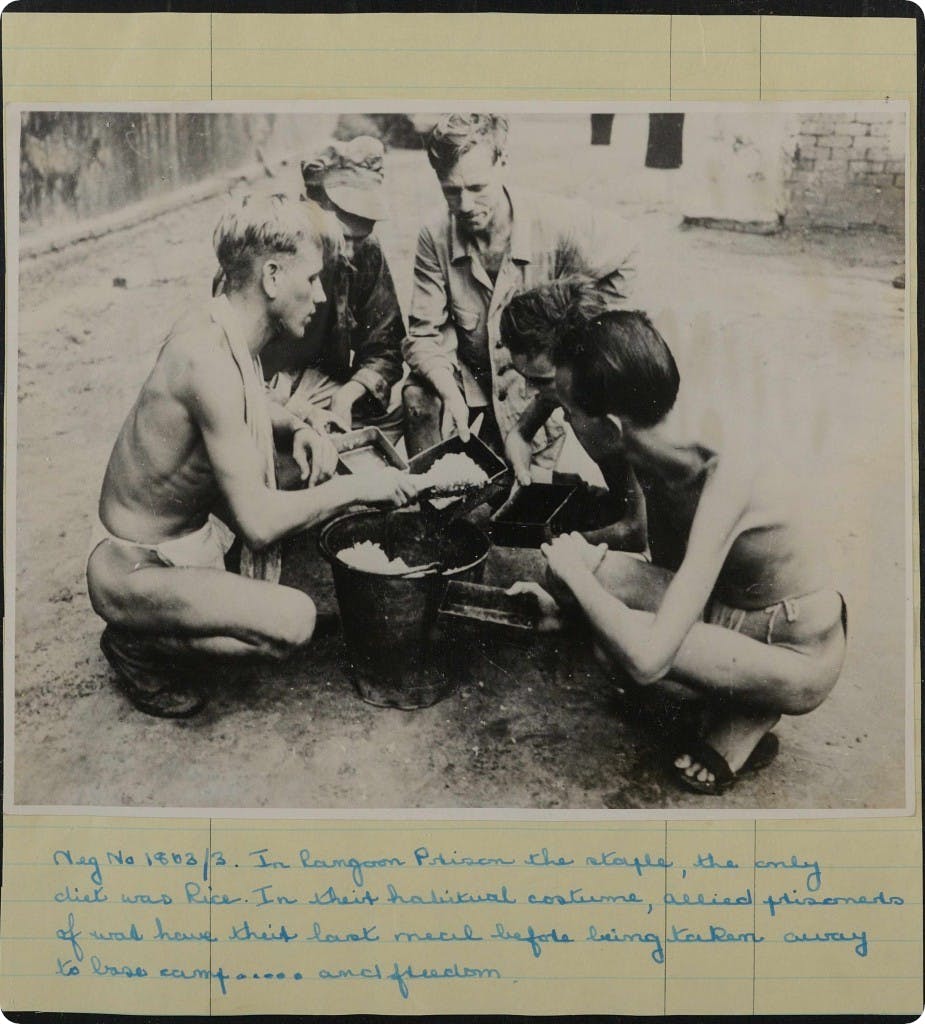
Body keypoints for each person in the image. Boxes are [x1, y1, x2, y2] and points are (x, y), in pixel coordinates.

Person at [87, 191, 420, 718]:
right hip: (135, 567)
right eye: (311, 280)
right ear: (271, 277)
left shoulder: (218, 325)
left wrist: (296, 426)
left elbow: (246, 401)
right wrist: (359, 487)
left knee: (297, 478)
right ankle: (137, 641)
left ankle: (175, 613)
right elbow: (261, 524)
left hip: (183, 537)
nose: (321, 297)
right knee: (294, 622)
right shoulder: (206, 360)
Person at [513, 307, 847, 794]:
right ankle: (728, 693)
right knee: (570, 583)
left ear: (607, 424)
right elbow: (668, 567)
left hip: (795, 646)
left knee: (623, 646)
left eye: (566, 412)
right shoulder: (649, 440)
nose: (560, 419)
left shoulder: (727, 471)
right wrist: (568, 603)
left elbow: (648, 658)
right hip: (727, 606)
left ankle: (751, 710)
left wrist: (588, 593)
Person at [402, 113, 636, 477]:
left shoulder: (558, 222)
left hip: (537, 396)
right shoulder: (433, 237)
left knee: (531, 500)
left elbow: (627, 251)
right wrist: (448, 391)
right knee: (417, 394)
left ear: (503, 163)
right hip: (473, 394)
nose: (464, 206)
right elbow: (422, 336)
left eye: (477, 187)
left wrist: (587, 342)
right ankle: (428, 507)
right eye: (450, 190)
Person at [241, 137, 405, 445]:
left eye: (363, 232)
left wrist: (347, 396)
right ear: (315, 202)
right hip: (265, 387)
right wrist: (292, 409)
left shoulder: (365, 249)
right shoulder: (270, 239)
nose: (353, 250)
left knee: (400, 404)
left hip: (323, 382)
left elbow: (386, 347)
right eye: (346, 235)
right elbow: (231, 363)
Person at [499, 278, 647, 552]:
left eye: (541, 381)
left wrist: (555, 543)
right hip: (612, 505)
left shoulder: (620, 408)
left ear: (578, 364)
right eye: (525, 378)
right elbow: (519, 434)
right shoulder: (562, 389)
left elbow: (638, 531)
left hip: (646, 538)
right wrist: (522, 472)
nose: (532, 390)